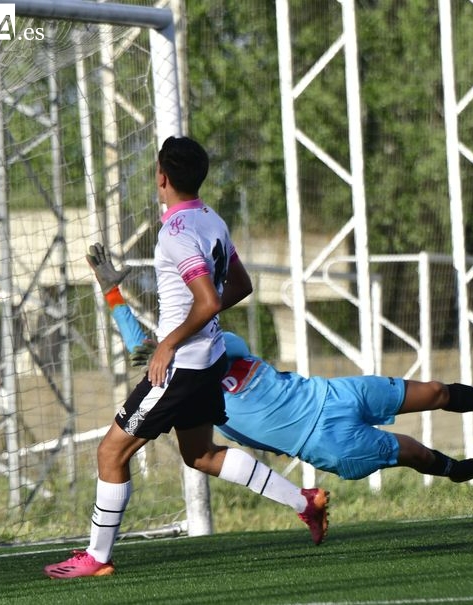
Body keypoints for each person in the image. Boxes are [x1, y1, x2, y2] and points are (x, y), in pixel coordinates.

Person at [44, 136, 328, 581]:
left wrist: (170, 342)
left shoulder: (175, 233)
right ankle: (303, 501)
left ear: (161, 176)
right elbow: (240, 286)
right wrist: (193, 326)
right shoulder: (210, 219)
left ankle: (97, 557)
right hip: (207, 359)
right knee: (200, 454)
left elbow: (208, 300)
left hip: (182, 366)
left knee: (111, 452)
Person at [84, 242, 473, 485]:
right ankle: (462, 471)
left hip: (330, 393)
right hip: (323, 439)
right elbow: (143, 348)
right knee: (413, 450)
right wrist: (113, 292)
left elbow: (201, 319)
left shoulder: (218, 339)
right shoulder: (181, 385)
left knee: (434, 390)